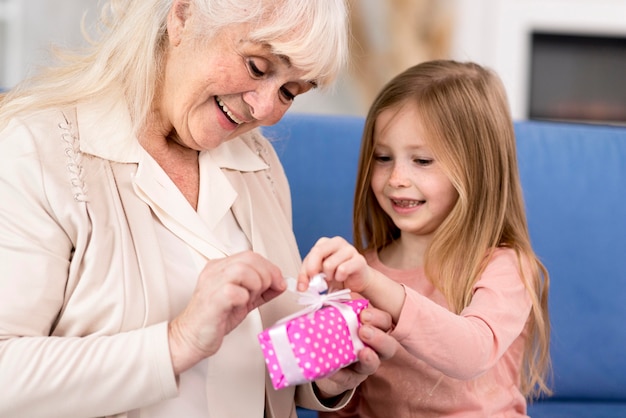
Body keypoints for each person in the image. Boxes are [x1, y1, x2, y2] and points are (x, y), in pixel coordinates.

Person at [0, 1, 398, 417]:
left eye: (288, 92)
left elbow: (252, 358)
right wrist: (177, 343)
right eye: (258, 67)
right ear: (183, 15)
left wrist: (323, 378)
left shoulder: (257, 162)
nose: (264, 110)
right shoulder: (35, 150)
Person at [298, 60, 552, 417]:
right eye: (383, 157)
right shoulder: (361, 274)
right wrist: (327, 378)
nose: (396, 178)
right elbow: (344, 407)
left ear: (477, 169)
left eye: (422, 160)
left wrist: (374, 285)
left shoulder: (504, 266)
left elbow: (472, 353)